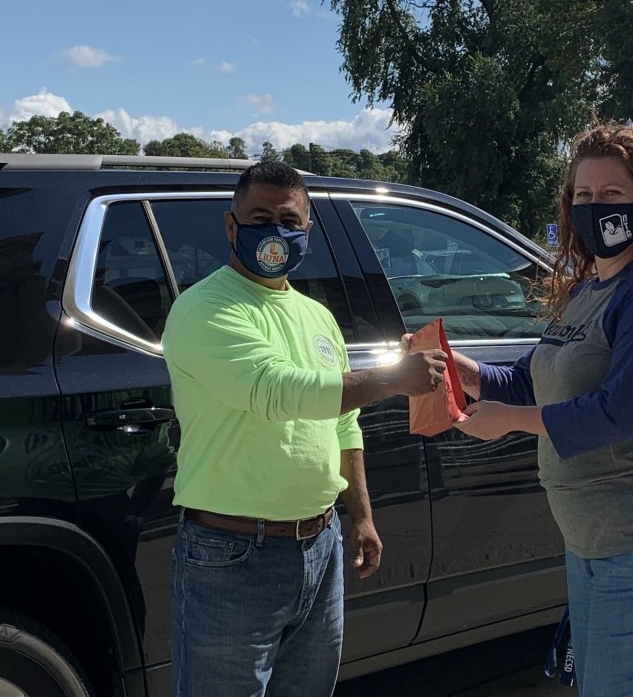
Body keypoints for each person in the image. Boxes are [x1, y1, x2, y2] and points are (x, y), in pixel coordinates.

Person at [442, 121, 633, 696]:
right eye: (583, 195)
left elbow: (615, 414)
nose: (594, 207)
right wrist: (458, 369)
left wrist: (510, 424)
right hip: (599, 545)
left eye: (612, 195)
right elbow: (531, 380)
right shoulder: (586, 291)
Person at [161, 161, 447, 697]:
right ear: (231, 227)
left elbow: (342, 422)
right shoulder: (204, 309)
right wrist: (392, 379)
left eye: (288, 219)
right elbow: (276, 391)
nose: (275, 231)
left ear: (307, 230)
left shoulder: (316, 316)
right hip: (232, 554)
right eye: (259, 216)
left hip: (321, 545)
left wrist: (361, 516)